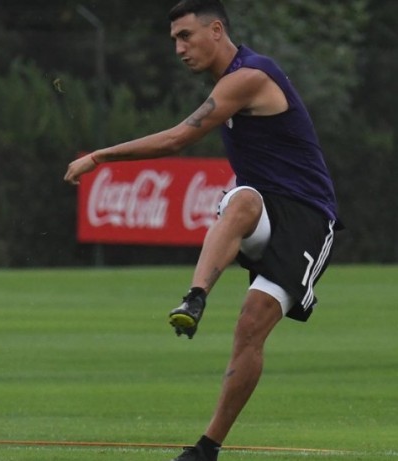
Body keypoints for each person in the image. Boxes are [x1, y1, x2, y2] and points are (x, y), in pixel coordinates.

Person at [63, 1, 341, 460]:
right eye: (174, 39)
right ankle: (194, 297)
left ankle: (206, 449)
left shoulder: (249, 76)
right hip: (264, 208)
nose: (178, 48)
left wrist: (99, 157)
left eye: (186, 36)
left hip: (308, 220)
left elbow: (178, 138)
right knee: (242, 197)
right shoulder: (227, 81)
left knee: (250, 327)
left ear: (216, 30)